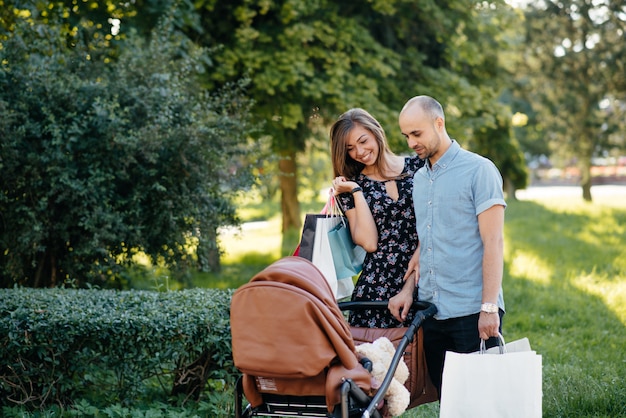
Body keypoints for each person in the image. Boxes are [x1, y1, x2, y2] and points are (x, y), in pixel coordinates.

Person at [398, 95, 506, 395]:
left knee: (484, 403)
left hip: (471, 311)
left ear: (439, 122)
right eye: (406, 136)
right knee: (450, 401)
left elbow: (494, 243)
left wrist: (489, 308)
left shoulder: (479, 170)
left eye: (416, 134)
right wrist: (408, 289)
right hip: (432, 312)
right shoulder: (419, 179)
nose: (411, 143)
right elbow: (428, 238)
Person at [330, 108, 425, 328]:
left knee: (424, 358)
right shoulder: (350, 187)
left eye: (363, 141)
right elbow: (370, 243)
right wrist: (356, 191)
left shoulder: (419, 168)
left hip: (425, 277)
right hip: (377, 288)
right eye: (350, 148)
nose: (360, 152)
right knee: (380, 360)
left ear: (376, 133)